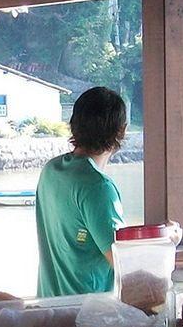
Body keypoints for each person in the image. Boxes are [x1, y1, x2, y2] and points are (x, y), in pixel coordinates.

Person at [35, 87, 127, 298]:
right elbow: (123, 263)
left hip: (48, 314)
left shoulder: (51, 170)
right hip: (84, 318)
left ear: (73, 125)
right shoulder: (98, 186)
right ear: (121, 131)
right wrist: (168, 239)